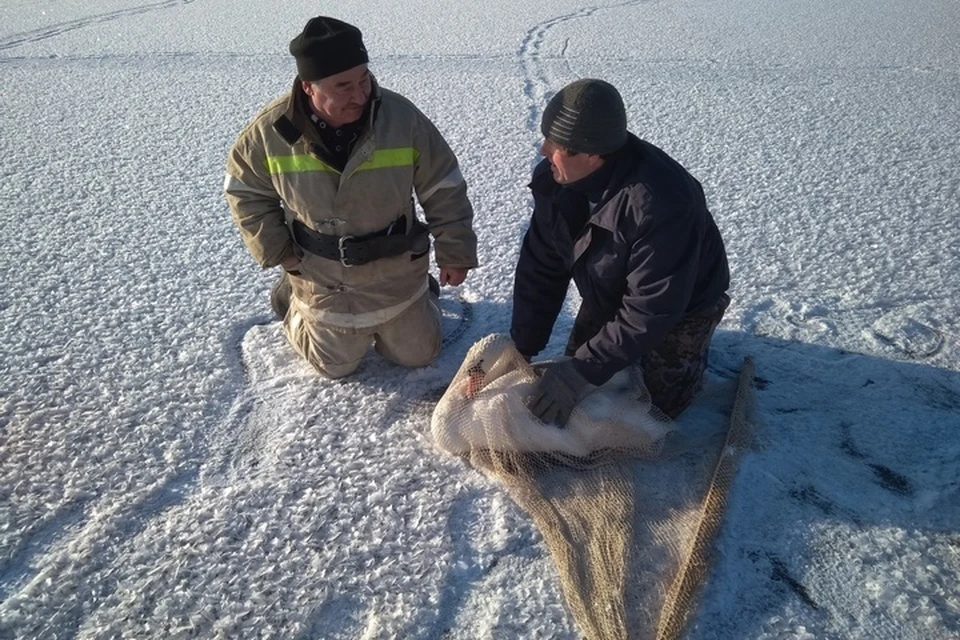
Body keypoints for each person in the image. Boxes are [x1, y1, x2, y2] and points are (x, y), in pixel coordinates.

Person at [225, 16, 478, 379]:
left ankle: (423, 297)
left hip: (396, 274)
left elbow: (443, 185)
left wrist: (455, 250)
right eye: (343, 86)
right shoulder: (269, 131)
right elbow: (245, 192)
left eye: (363, 79)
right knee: (334, 368)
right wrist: (280, 251)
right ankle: (293, 302)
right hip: (321, 277)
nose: (360, 95)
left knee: (419, 355)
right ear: (308, 87)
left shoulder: (401, 118)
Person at [512, 79, 730, 425]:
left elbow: (654, 306)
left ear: (592, 154)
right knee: (579, 391)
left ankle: (694, 352)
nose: (543, 151)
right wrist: (522, 346)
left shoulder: (662, 203)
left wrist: (581, 371)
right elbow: (542, 266)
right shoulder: (555, 181)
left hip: (683, 305)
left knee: (651, 411)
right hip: (610, 292)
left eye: (556, 145)